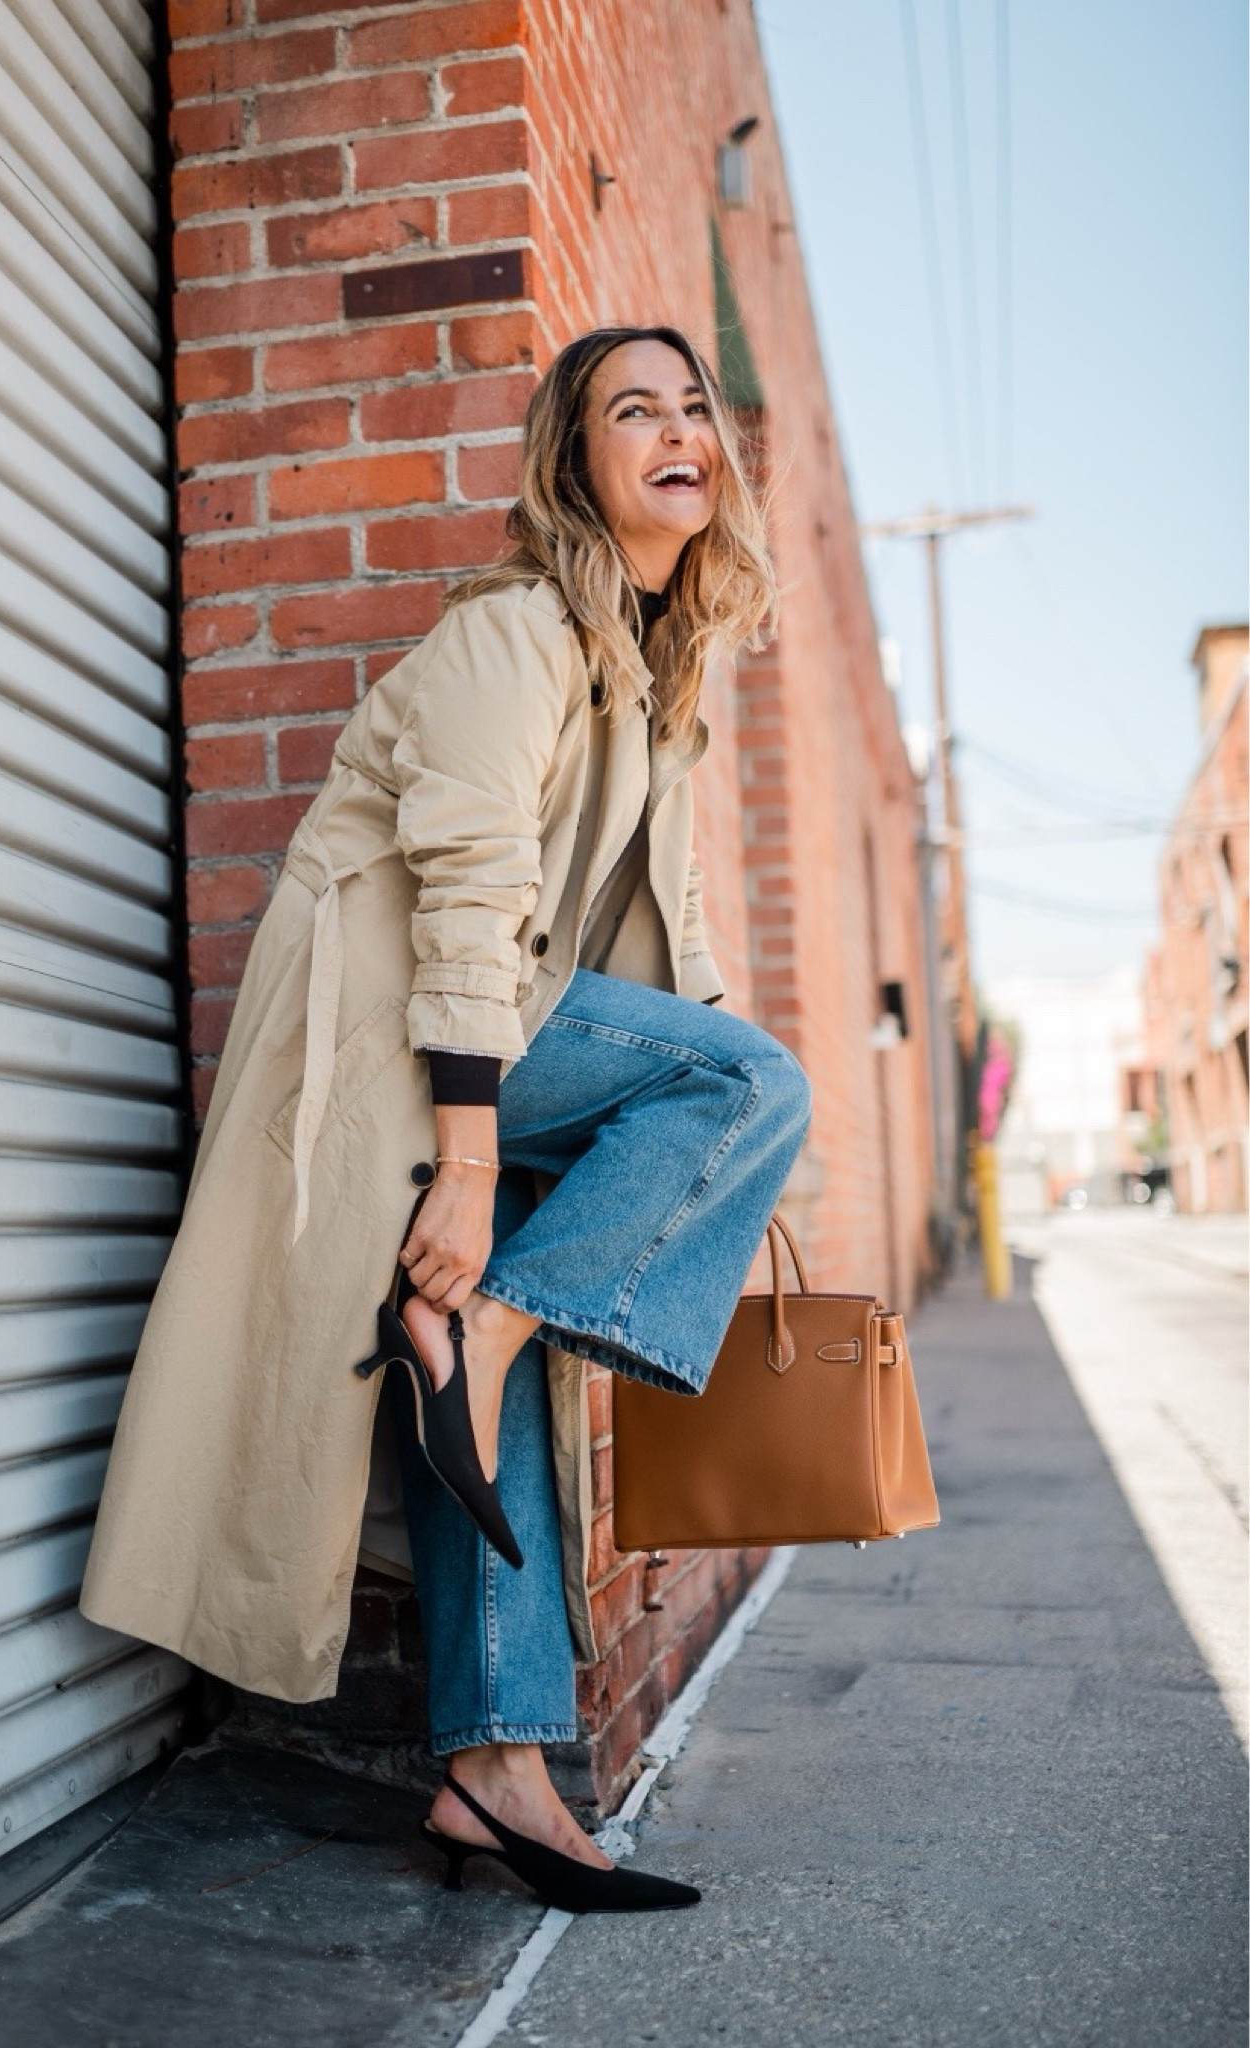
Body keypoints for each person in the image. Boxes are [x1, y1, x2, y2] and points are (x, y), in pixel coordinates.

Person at [80, 326, 813, 1914]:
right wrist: (478, 1166)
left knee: (503, 1410)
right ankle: (471, 1339)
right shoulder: (517, 630)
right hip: (402, 1045)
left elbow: (679, 950)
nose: (679, 427)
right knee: (747, 1089)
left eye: (697, 407)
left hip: (500, 1036)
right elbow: (470, 895)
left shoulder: (655, 673)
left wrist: (731, 1193)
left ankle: (496, 1781)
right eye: (636, 409)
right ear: (575, 460)